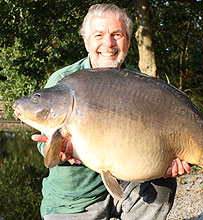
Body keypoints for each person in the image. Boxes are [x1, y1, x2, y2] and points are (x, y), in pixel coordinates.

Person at [32, 3, 191, 220]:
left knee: (163, 185)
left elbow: (159, 135)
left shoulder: (140, 84)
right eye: (98, 35)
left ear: (127, 40)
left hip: (127, 185)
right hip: (74, 200)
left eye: (117, 34)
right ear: (86, 40)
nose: (108, 43)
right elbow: (44, 146)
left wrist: (169, 159)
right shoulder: (63, 81)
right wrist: (54, 149)